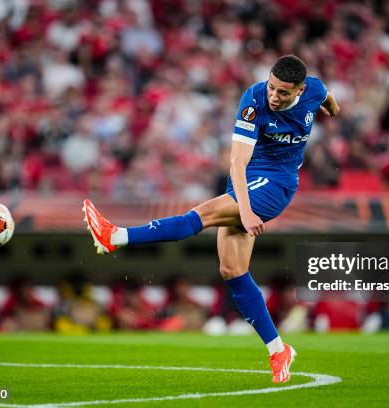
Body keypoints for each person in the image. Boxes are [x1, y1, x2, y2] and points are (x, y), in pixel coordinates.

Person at [83, 55, 340, 383]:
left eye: (283, 93)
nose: (274, 97)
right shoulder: (254, 100)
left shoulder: (314, 90)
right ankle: (278, 350)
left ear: (301, 90)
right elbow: (237, 160)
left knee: (202, 215)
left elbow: (327, 97)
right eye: (272, 88)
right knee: (232, 271)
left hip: (276, 184)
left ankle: (115, 236)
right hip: (244, 179)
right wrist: (244, 211)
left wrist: (333, 109)